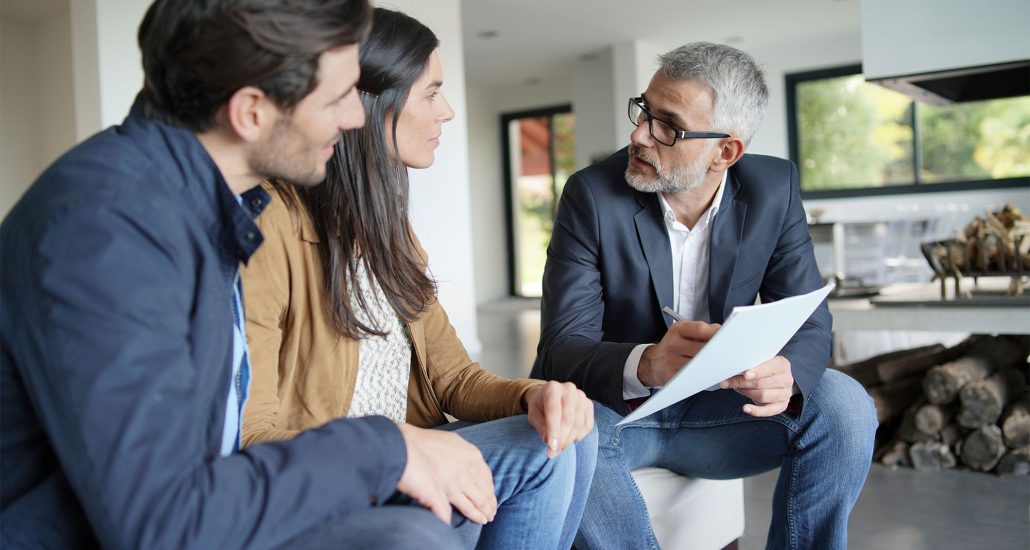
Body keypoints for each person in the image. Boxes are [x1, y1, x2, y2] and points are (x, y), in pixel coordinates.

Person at [0, 1, 465, 548]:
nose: (357, 118)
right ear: (251, 112)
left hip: (202, 512)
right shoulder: (105, 228)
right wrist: (383, 447)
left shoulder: (193, 206)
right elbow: (163, 524)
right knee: (407, 536)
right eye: (338, 97)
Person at [240, 8, 596, 549]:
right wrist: (394, 445)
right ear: (370, 102)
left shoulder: (387, 226)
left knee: (567, 432)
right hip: (345, 472)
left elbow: (456, 380)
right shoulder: (271, 223)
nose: (448, 112)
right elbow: (253, 434)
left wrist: (536, 394)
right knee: (540, 451)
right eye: (431, 93)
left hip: (415, 447)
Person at [531, 42, 878, 549]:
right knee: (568, 435)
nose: (639, 134)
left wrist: (787, 376)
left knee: (845, 405)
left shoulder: (773, 189)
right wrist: (646, 363)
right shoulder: (591, 195)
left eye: (667, 125)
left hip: (721, 414)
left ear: (727, 151)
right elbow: (559, 349)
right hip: (618, 417)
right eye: (643, 111)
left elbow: (809, 321)